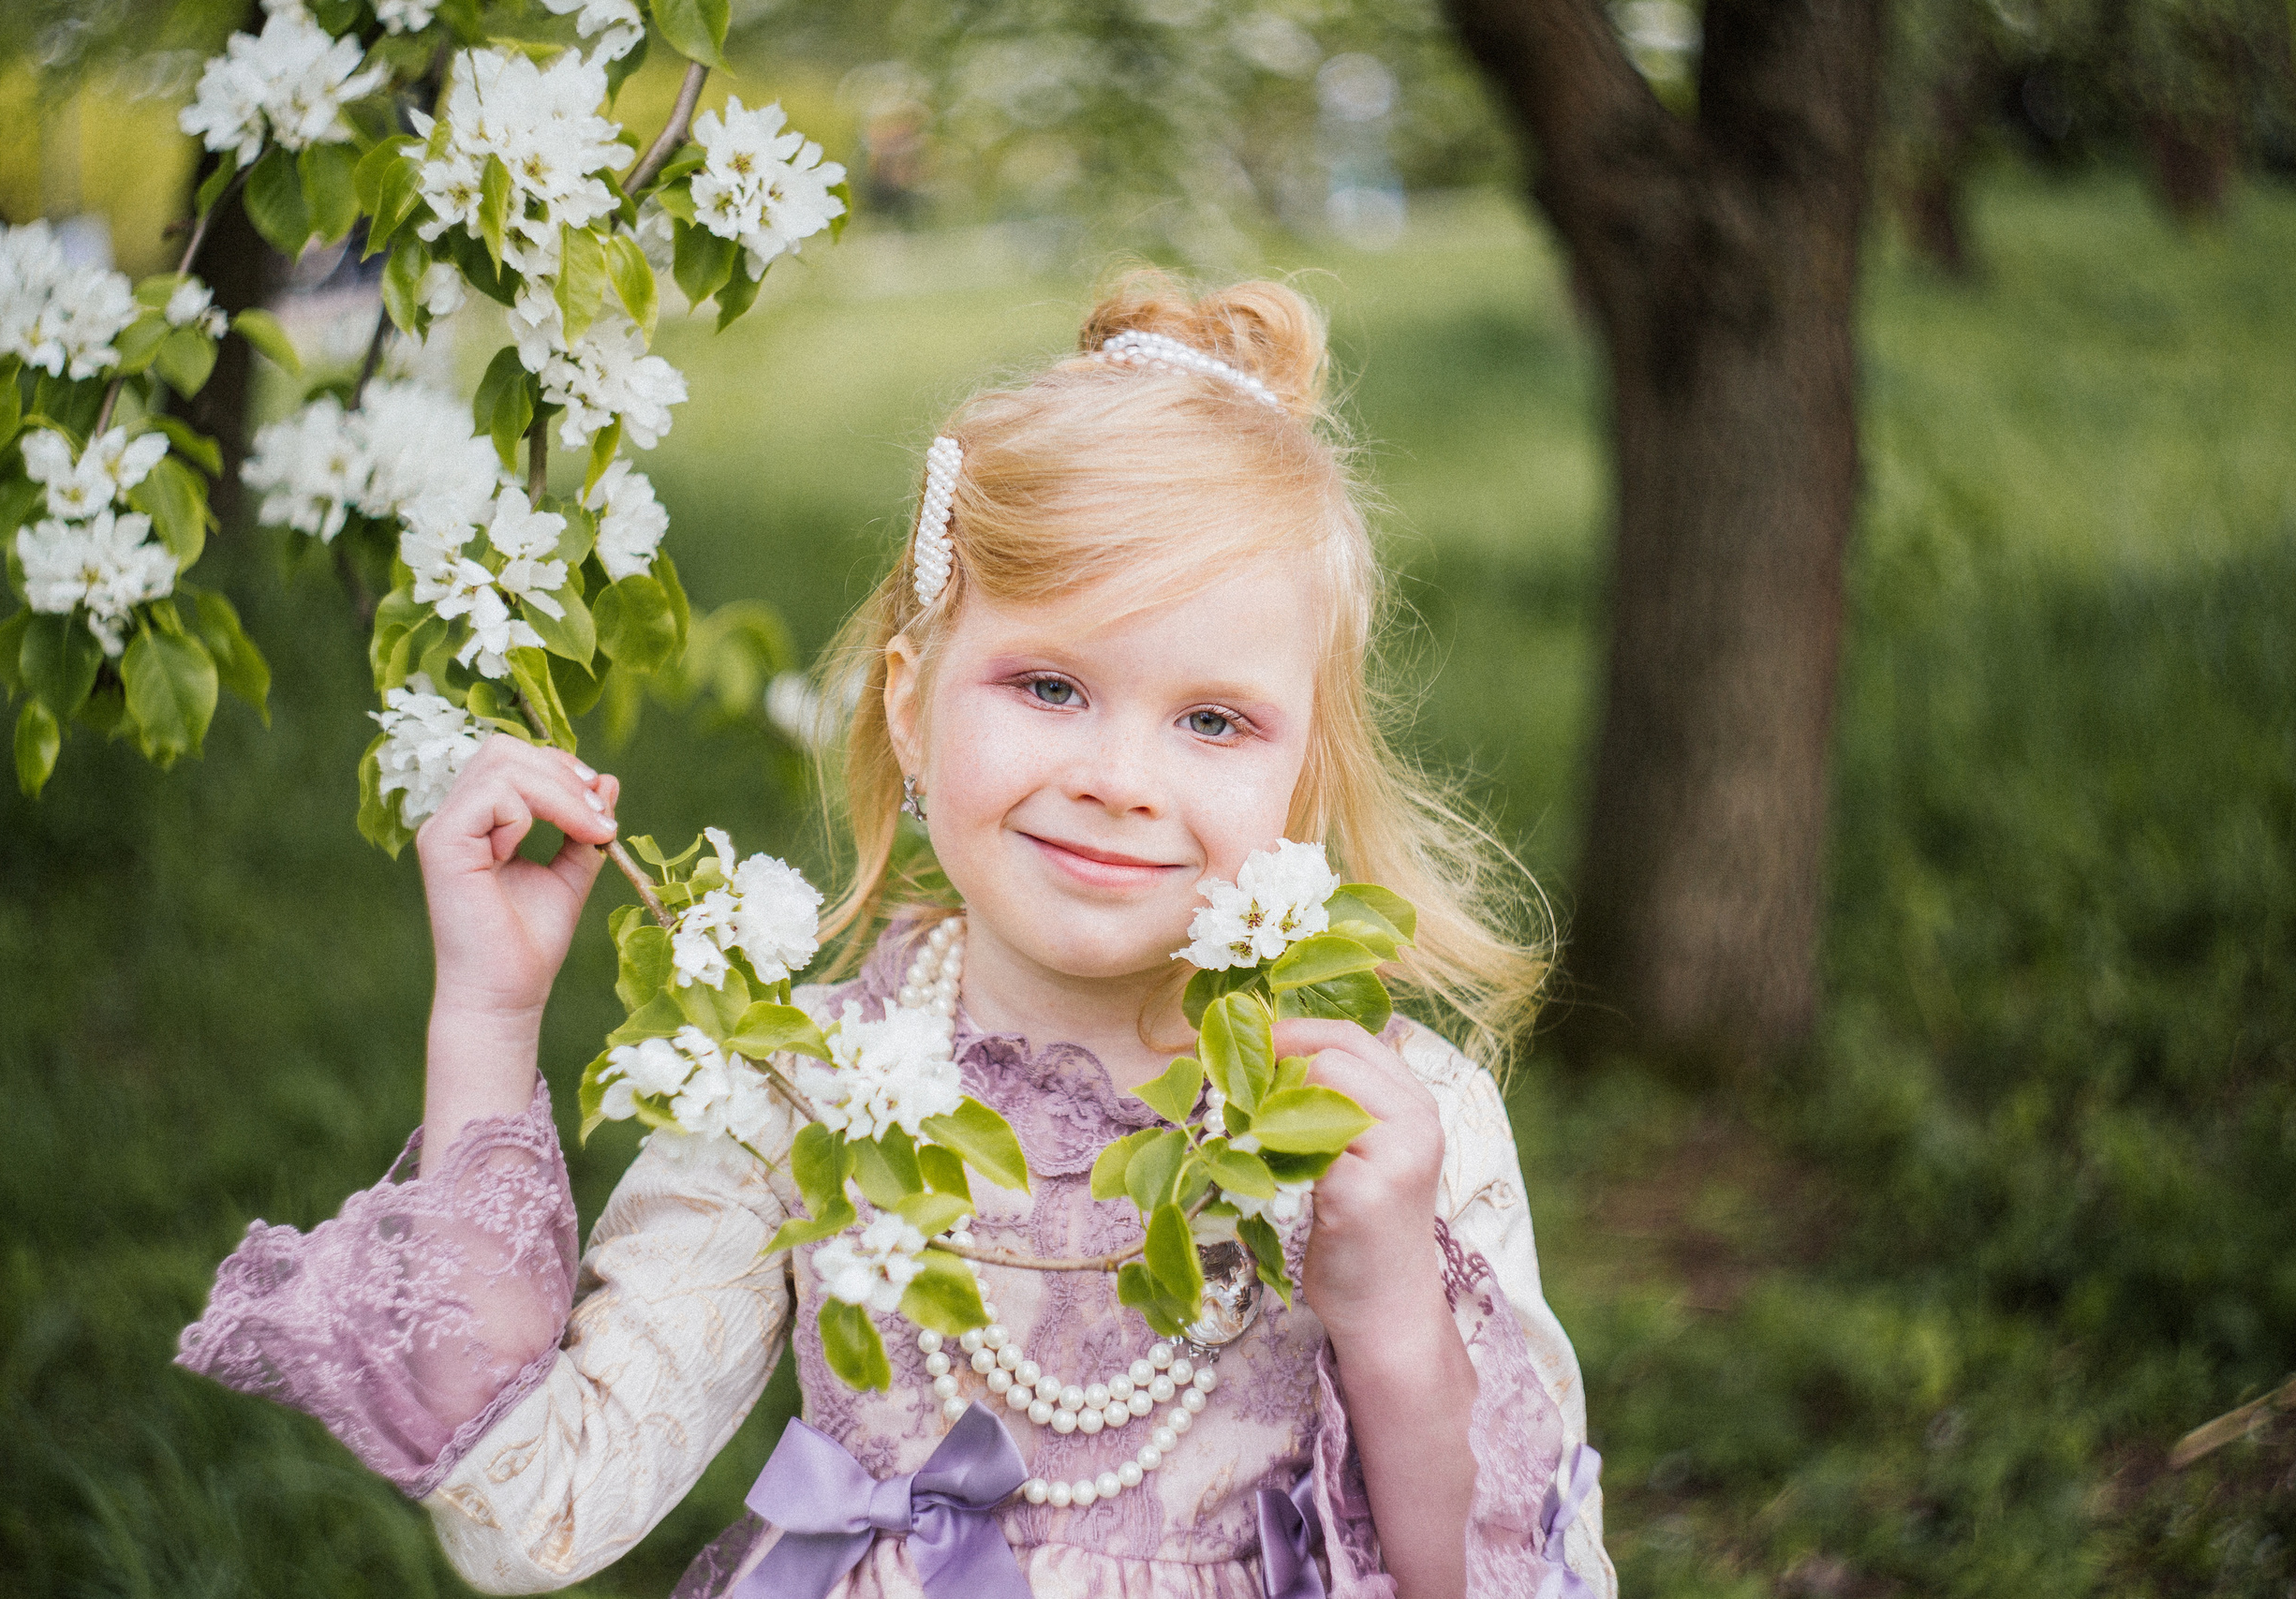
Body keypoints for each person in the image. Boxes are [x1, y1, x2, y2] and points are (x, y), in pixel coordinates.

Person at [177, 274, 1617, 1599]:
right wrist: (490, 1015)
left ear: (1300, 778)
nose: (1121, 776)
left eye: (1213, 719)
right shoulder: (800, 1089)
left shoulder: (1379, 1123)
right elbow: (526, 1510)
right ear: (913, 706)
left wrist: (1393, 1313)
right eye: (1049, 686)